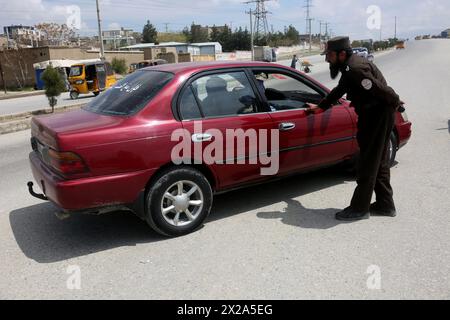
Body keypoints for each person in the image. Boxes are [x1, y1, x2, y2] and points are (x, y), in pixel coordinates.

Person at [305, 36, 404, 221]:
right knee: (379, 161)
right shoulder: (349, 67)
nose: (327, 59)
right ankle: (385, 204)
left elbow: (379, 89)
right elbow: (339, 90)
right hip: (376, 114)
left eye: (329, 55)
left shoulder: (355, 69)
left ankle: (359, 208)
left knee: (367, 162)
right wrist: (320, 107)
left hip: (376, 116)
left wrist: (396, 101)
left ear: (342, 54)